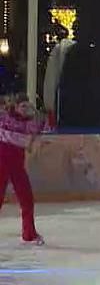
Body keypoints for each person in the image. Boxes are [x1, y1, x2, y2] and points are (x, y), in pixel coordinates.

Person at [0, 94, 53, 245]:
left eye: (27, 106)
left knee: (27, 200)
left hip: (17, 166)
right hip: (1, 164)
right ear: (15, 107)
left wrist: (45, 113)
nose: (25, 109)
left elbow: (48, 126)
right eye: (22, 106)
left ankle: (29, 234)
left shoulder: (32, 124)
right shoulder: (4, 117)